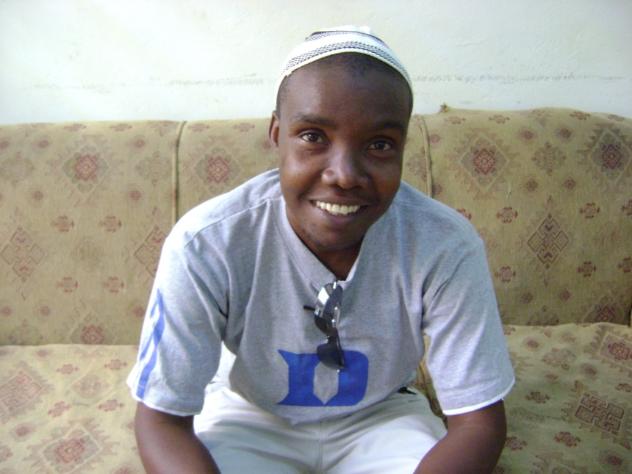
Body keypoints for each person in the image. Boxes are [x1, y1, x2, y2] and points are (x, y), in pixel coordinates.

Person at [128, 26, 515, 473]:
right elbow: (161, 420)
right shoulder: (206, 243)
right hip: (249, 414)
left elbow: (479, 424)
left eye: (380, 145)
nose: (344, 175)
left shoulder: (444, 244)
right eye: (313, 136)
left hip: (383, 415)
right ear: (277, 134)